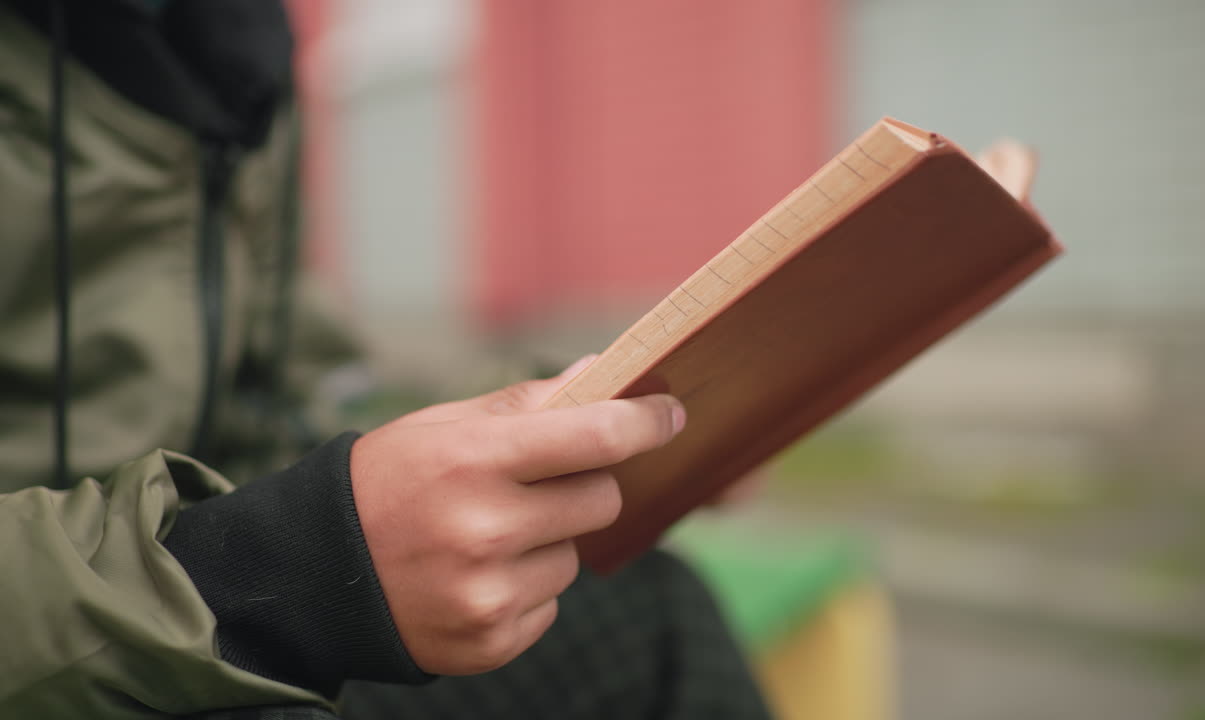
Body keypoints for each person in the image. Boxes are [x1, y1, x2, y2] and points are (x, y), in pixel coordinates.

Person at [0, 1, 773, 718]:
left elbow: (296, 408)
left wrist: (547, 430)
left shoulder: (232, 45)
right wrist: (264, 574)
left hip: (190, 614)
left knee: (651, 620)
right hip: (94, 643)